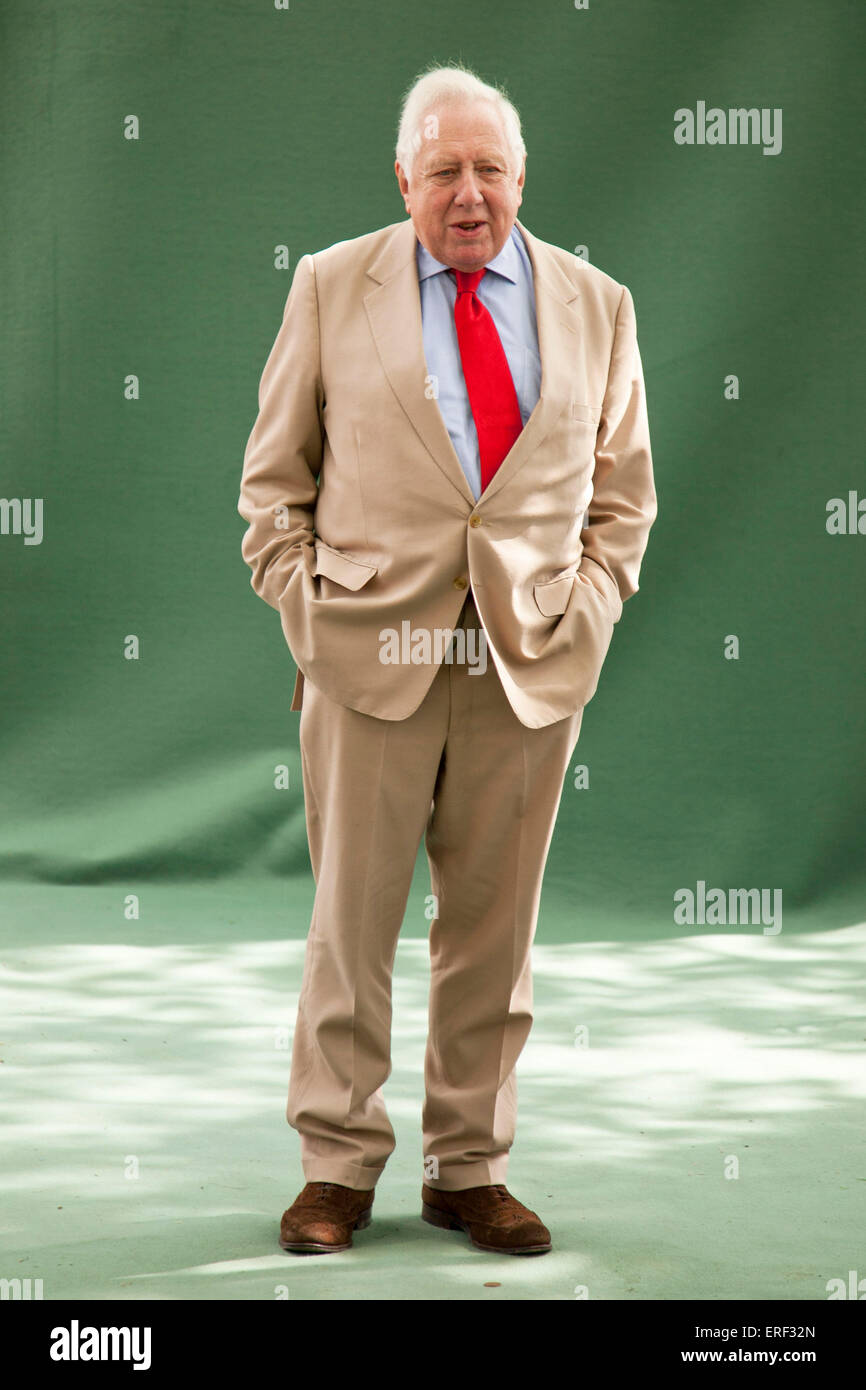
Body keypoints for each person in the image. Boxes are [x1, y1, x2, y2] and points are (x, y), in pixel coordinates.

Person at [237, 62, 657, 1256]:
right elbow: (273, 491)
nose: (467, 195)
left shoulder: (597, 305)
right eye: (442, 173)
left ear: (521, 176)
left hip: (527, 666)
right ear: (402, 180)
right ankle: (335, 1167)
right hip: (366, 660)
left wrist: (586, 609)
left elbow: (622, 500)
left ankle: (466, 1167)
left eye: (488, 170)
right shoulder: (329, 287)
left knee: (493, 932)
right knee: (348, 924)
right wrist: (314, 620)